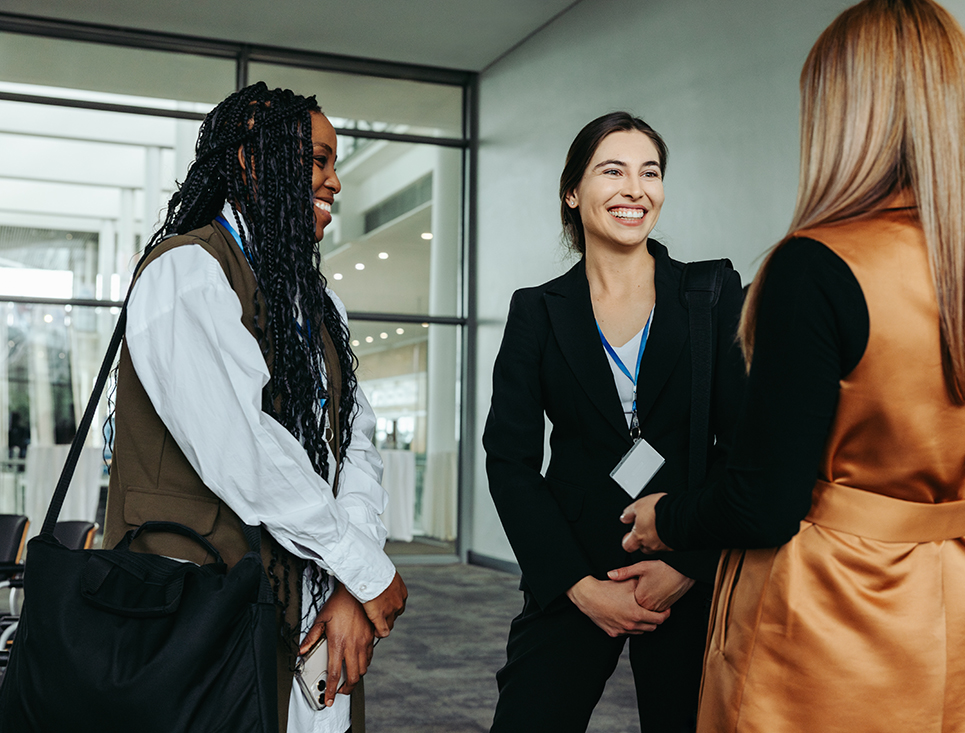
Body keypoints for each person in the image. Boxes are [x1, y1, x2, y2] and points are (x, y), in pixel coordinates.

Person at [620, 1, 965, 731]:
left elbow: (764, 500)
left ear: (848, 111)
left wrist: (667, 518)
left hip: (828, 616)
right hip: (958, 615)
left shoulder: (816, 266)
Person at [102, 82, 407, 733]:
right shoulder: (186, 273)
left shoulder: (319, 303)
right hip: (197, 611)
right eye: (318, 159)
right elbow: (242, 449)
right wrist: (360, 565)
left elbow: (356, 441)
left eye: (335, 163)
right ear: (251, 159)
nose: (335, 182)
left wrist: (351, 579)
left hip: (313, 600)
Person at [482, 112, 745, 732]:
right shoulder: (537, 311)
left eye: (650, 172)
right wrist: (578, 586)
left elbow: (744, 446)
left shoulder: (710, 293)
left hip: (688, 563)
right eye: (613, 170)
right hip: (574, 565)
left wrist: (687, 566)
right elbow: (509, 460)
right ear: (573, 192)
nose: (635, 188)